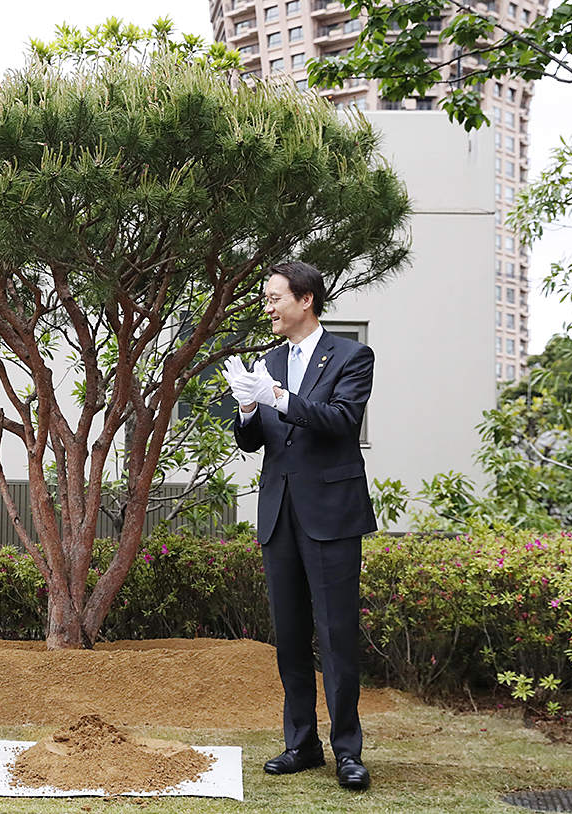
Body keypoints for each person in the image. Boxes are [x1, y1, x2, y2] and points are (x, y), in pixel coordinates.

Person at [223, 261, 375, 791]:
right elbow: (254, 440)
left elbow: (340, 421)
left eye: (274, 298)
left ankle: (348, 751)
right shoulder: (269, 360)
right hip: (279, 512)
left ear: (305, 300)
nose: (267, 307)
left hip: (332, 513)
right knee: (289, 637)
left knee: (335, 636)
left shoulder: (353, 355)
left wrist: (280, 398)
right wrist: (246, 407)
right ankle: (301, 744)